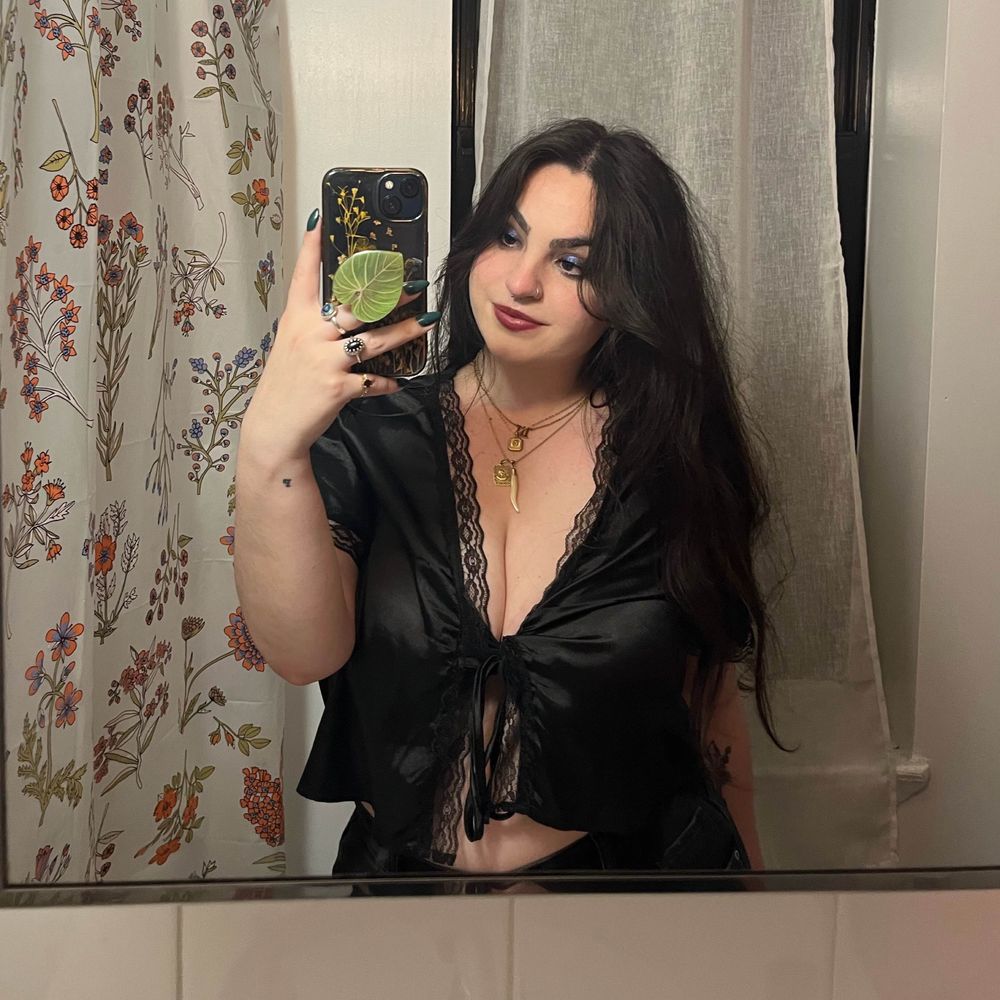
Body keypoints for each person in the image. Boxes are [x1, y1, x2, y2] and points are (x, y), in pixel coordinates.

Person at [234, 118, 790, 893]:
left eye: (572, 262)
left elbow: (710, 711)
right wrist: (270, 446)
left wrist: (758, 911)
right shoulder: (368, 437)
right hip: (398, 905)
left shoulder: (676, 461)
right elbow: (302, 654)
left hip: (624, 903)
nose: (522, 281)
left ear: (632, 289)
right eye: (507, 236)